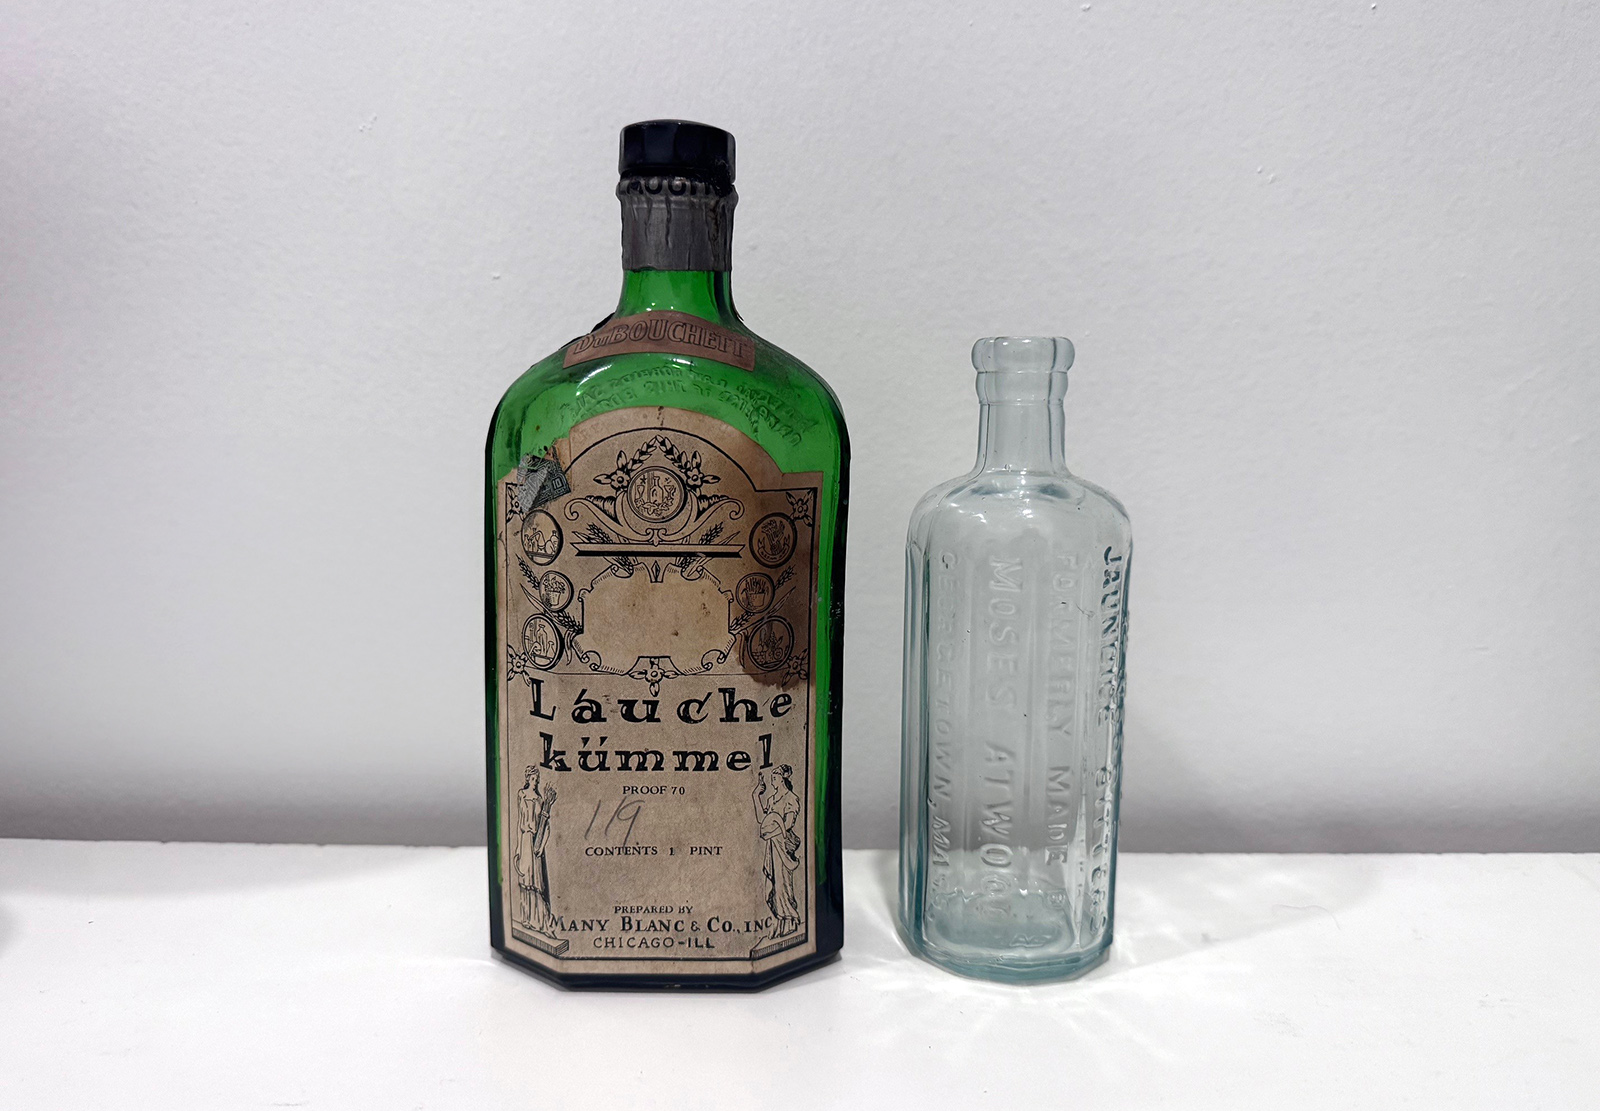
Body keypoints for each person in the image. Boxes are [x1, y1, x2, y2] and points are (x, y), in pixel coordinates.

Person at [752, 765, 802, 938]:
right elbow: (761, 819)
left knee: (783, 885)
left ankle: (790, 921)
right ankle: (779, 922)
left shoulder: (791, 798)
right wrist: (756, 795)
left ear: (782, 779)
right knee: (772, 885)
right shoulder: (773, 799)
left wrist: (769, 833)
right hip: (772, 846)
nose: (772, 780)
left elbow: (787, 825)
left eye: (774, 777)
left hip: (783, 846)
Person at [514, 765, 557, 932]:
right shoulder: (522, 795)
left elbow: (546, 826)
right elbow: (519, 824)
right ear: (527, 779)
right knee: (526, 881)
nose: (536, 781)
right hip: (525, 841)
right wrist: (518, 849)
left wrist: (542, 844)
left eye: (537, 779)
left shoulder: (540, 800)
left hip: (536, 844)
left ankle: (538, 921)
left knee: (537, 883)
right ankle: (526, 919)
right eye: (533, 779)